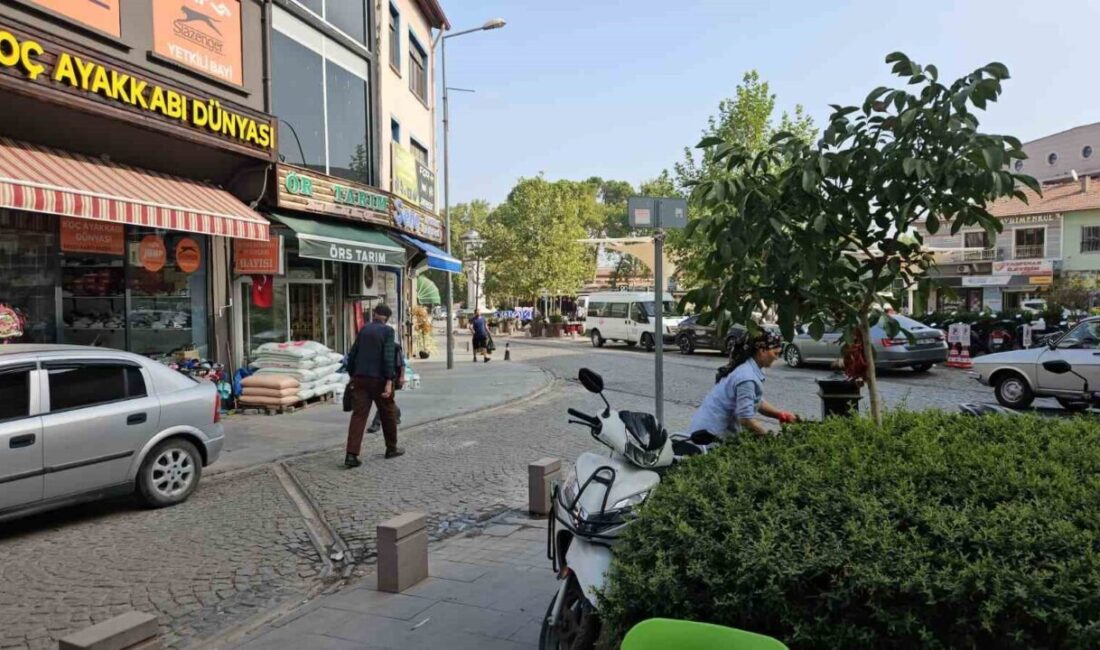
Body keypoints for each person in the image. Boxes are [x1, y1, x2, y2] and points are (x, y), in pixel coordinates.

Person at [687, 330, 799, 438]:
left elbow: (756, 400)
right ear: (762, 351)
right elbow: (745, 419)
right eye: (775, 353)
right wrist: (770, 439)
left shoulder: (751, 368)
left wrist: (780, 414)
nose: (776, 358)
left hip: (709, 430)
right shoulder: (747, 377)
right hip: (708, 436)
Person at [344, 304, 404, 467]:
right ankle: (391, 448)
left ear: (375, 314)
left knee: (359, 416)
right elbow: (388, 358)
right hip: (379, 380)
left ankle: (351, 454)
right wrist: (389, 381)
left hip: (360, 378)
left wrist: (353, 376)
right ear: (386, 318)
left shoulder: (364, 330)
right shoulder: (388, 332)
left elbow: (352, 354)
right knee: (387, 413)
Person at [368, 328, 404, 434]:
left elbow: (401, 364)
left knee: (384, 400)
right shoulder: (375, 347)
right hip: (378, 377)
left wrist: (401, 377)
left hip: (391, 378)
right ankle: (396, 414)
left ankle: (376, 424)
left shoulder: (395, 347)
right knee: (387, 401)